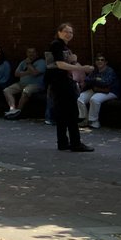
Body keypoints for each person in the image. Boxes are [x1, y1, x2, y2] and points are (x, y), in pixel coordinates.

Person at [46, 23, 94, 152]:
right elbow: (60, 64)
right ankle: (75, 143)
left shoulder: (63, 46)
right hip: (62, 84)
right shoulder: (57, 45)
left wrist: (73, 60)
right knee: (72, 113)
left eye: (71, 32)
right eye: (66, 31)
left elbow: (63, 63)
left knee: (62, 114)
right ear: (59, 32)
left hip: (60, 83)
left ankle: (63, 142)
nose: (69, 34)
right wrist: (82, 68)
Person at [78, 54, 120, 130]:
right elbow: (87, 80)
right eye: (98, 60)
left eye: (102, 60)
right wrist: (97, 80)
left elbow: (106, 83)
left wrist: (95, 80)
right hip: (96, 89)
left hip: (110, 91)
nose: (99, 61)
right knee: (80, 98)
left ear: (106, 62)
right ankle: (84, 119)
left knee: (94, 99)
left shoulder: (110, 71)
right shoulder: (95, 70)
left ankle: (94, 121)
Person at [3, 47, 46, 118]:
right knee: (6, 90)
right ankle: (13, 109)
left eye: (33, 52)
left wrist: (28, 64)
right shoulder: (23, 62)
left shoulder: (41, 62)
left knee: (26, 91)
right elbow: (16, 73)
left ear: (37, 53)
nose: (31, 54)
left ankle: (18, 111)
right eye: (29, 52)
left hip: (36, 85)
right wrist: (28, 72)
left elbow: (35, 73)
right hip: (21, 83)